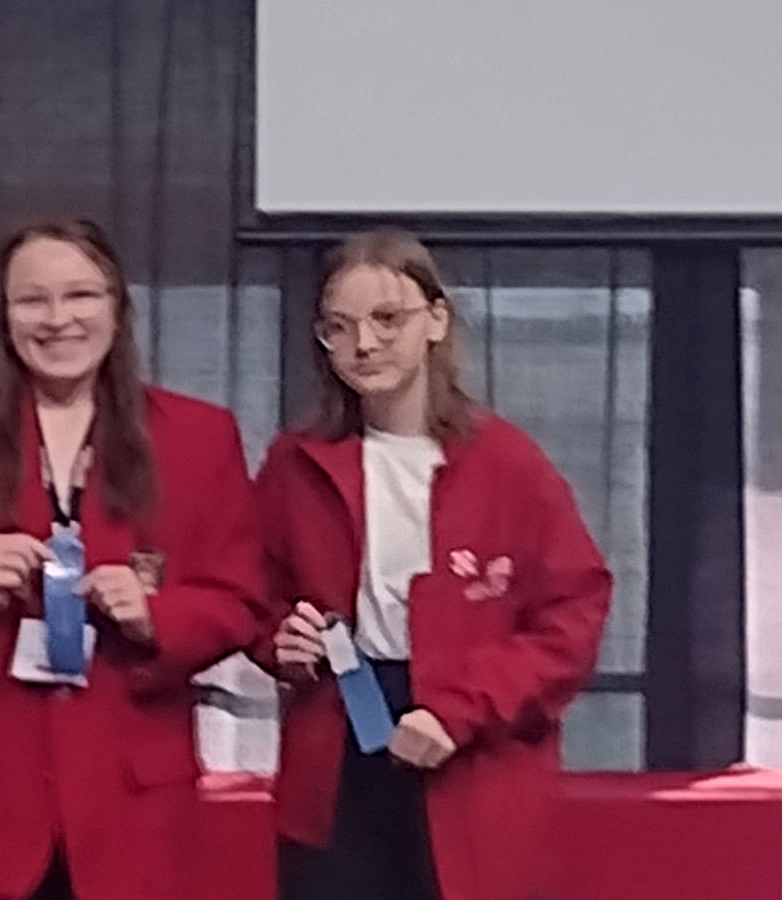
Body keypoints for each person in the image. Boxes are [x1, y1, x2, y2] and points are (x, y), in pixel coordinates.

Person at [0, 218, 265, 900]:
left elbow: (241, 598)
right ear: (4, 316)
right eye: (33, 300)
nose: (58, 320)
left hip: (132, 809)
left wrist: (155, 618)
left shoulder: (200, 437)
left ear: (118, 306)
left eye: (81, 295)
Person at [256, 229, 611, 900]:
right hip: (336, 753)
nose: (364, 345)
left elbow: (573, 618)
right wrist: (284, 643)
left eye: (388, 320)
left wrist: (459, 709)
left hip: (471, 748)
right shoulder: (293, 463)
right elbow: (257, 598)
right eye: (340, 327)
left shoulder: (510, 465)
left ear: (437, 321)